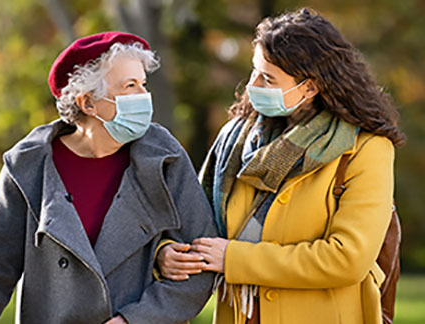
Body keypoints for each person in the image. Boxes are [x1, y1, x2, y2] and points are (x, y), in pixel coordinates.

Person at [156, 8, 405, 324]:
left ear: (309, 87)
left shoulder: (366, 149)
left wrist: (234, 258)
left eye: (268, 77)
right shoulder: (235, 140)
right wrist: (166, 252)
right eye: (254, 71)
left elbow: (347, 258)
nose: (253, 85)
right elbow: (189, 221)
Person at [0, 32, 217, 324]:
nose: (143, 96)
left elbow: (200, 260)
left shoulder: (165, 156)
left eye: (143, 84)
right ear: (88, 103)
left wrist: (134, 321)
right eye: (129, 86)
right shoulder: (29, 166)